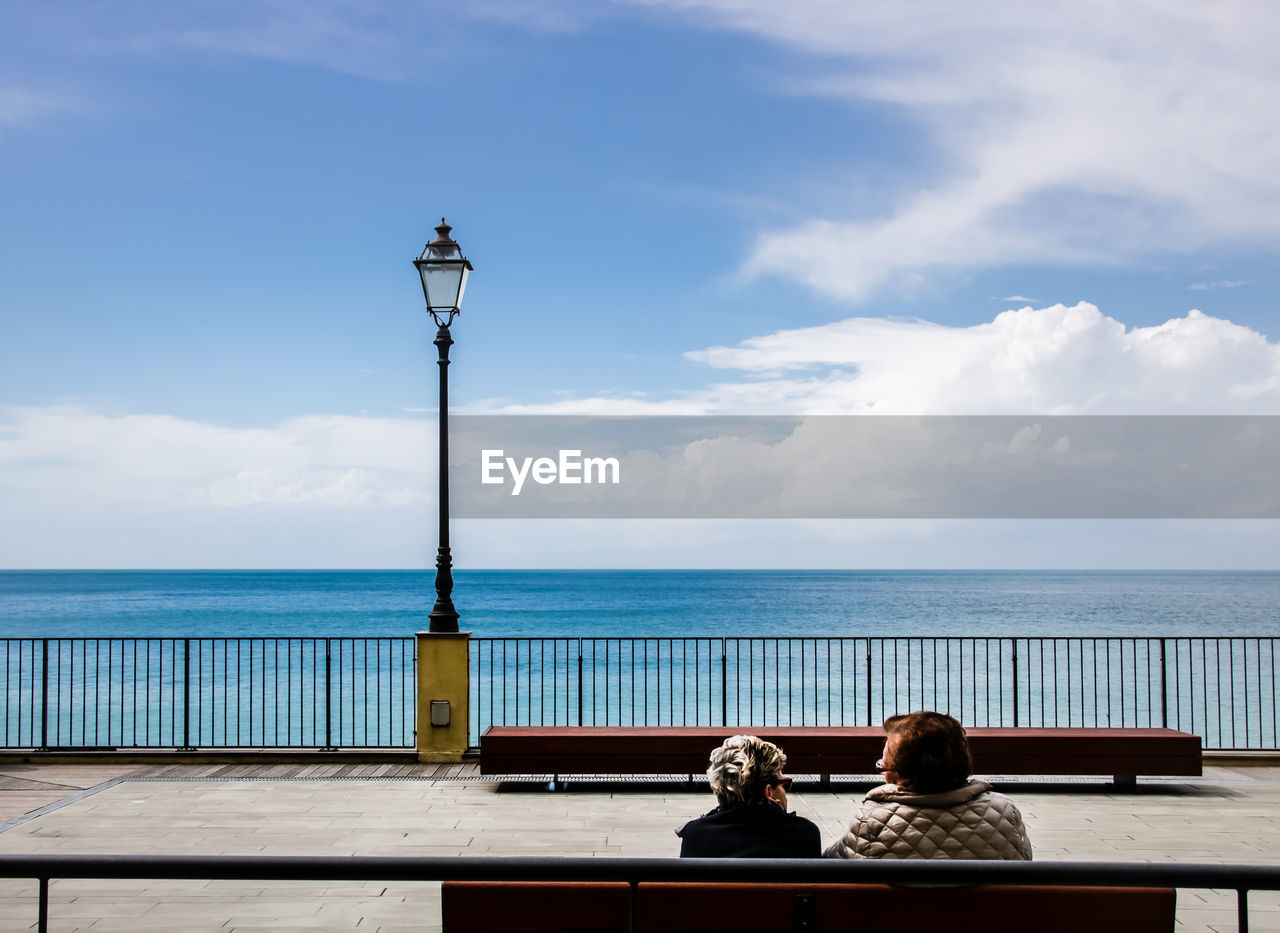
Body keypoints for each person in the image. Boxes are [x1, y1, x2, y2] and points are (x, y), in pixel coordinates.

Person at [824, 711, 1032, 860]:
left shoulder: (872, 821)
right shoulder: (1004, 812)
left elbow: (829, 866)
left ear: (900, 775)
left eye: (883, 767)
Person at [677, 734, 821, 857]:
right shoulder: (805, 834)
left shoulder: (695, 835)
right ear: (768, 791)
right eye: (785, 785)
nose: (785, 792)